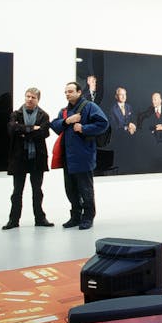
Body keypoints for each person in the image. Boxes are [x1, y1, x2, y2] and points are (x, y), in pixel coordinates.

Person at [50, 81, 109, 230]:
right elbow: (55, 125)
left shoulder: (90, 107)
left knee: (85, 189)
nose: (67, 94)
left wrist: (84, 128)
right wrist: (67, 121)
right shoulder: (64, 111)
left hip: (84, 155)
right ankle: (75, 216)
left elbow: (103, 123)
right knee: (70, 189)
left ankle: (88, 217)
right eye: (66, 92)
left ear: (79, 92)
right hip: (67, 157)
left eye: (70, 91)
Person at [3, 88, 52, 230]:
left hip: (37, 157)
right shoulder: (16, 114)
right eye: (28, 96)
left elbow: (44, 133)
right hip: (19, 157)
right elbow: (12, 129)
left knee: (37, 191)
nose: (29, 99)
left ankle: (40, 219)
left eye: (33, 97)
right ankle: (13, 220)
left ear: (38, 100)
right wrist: (32, 129)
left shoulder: (44, 115)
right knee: (17, 192)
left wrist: (23, 131)